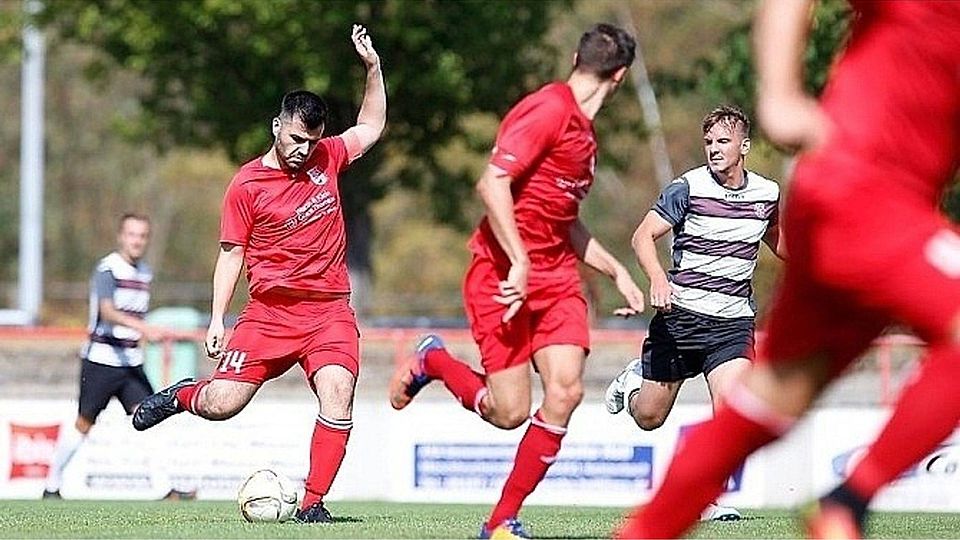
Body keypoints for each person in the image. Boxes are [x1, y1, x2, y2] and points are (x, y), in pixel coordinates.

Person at [615, 1, 960, 538]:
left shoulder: (764, 195)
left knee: (764, 404)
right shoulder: (689, 186)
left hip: (868, 216)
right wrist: (779, 92)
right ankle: (846, 505)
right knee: (675, 410)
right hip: (860, 192)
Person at [388, 23, 645, 540]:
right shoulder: (548, 109)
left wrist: (616, 270)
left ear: (577, 57)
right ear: (620, 77)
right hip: (499, 277)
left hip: (556, 283)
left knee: (566, 391)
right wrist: (520, 260)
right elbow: (493, 183)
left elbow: (564, 219)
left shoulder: (586, 137)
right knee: (509, 413)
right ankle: (433, 360)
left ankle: (501, 521)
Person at [131, 24, 385, 524]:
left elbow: (371, 126)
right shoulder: (247, 184)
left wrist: (373, 70)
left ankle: (312, 506)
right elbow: (230, 255)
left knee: (340, 392)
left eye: (310, 142)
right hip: (268, 314)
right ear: (276, 126)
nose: (302, 150)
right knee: (223, 404)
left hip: (329, 311)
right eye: (294, 138)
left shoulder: (328, 157)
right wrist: (216, 320)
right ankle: (182, 395)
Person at [604, 105, 783, 523]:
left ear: (745, 146)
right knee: (649, 417)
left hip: (733, 324)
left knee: (732, 412)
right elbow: (642, 235)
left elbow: (780, 241)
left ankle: (706, 498)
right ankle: (634, 380)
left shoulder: (767, 194)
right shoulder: (688, 187)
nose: (714, 150)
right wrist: (656, 279)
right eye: (709, 143)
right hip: (681, 318)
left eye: (723, 141)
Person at [43, 214, 193, 500]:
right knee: (84, 423)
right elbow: (107, 312)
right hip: (101, 361)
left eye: (142, 235)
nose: (137, 240)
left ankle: (166, 489)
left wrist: (143, 332)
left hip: (130, 364)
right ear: (121, 237)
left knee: (150, 418)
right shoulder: (108, 269)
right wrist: (145, 328)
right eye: (132, 234)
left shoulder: (145, 272)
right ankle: (52, 485)